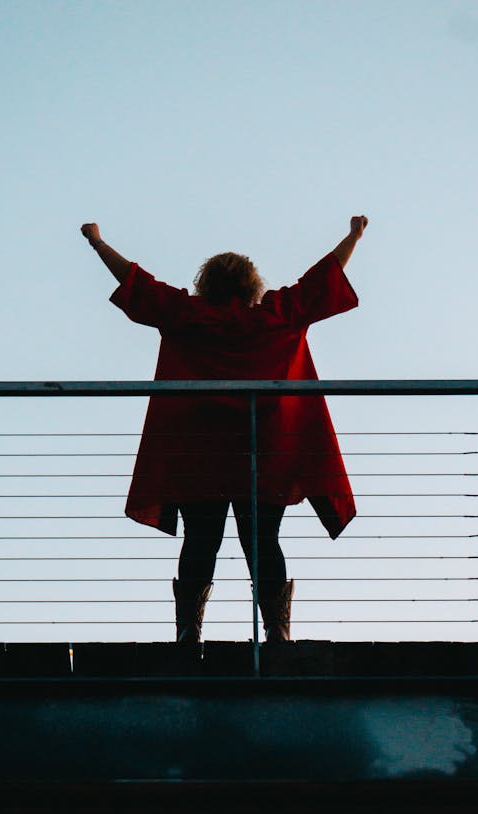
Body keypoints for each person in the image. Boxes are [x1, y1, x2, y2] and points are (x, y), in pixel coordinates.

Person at [80, 215, 368, 644]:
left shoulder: (186, 316)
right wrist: (354, 237)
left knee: (200, 538)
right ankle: (276, 632)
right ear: (251, 285)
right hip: (266, 452)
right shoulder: (277, 316)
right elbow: (323, 279)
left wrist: (98, 244)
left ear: (206, 284)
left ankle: (188, 631)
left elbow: (138, 284)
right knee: (263, 539)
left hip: (199, 455)